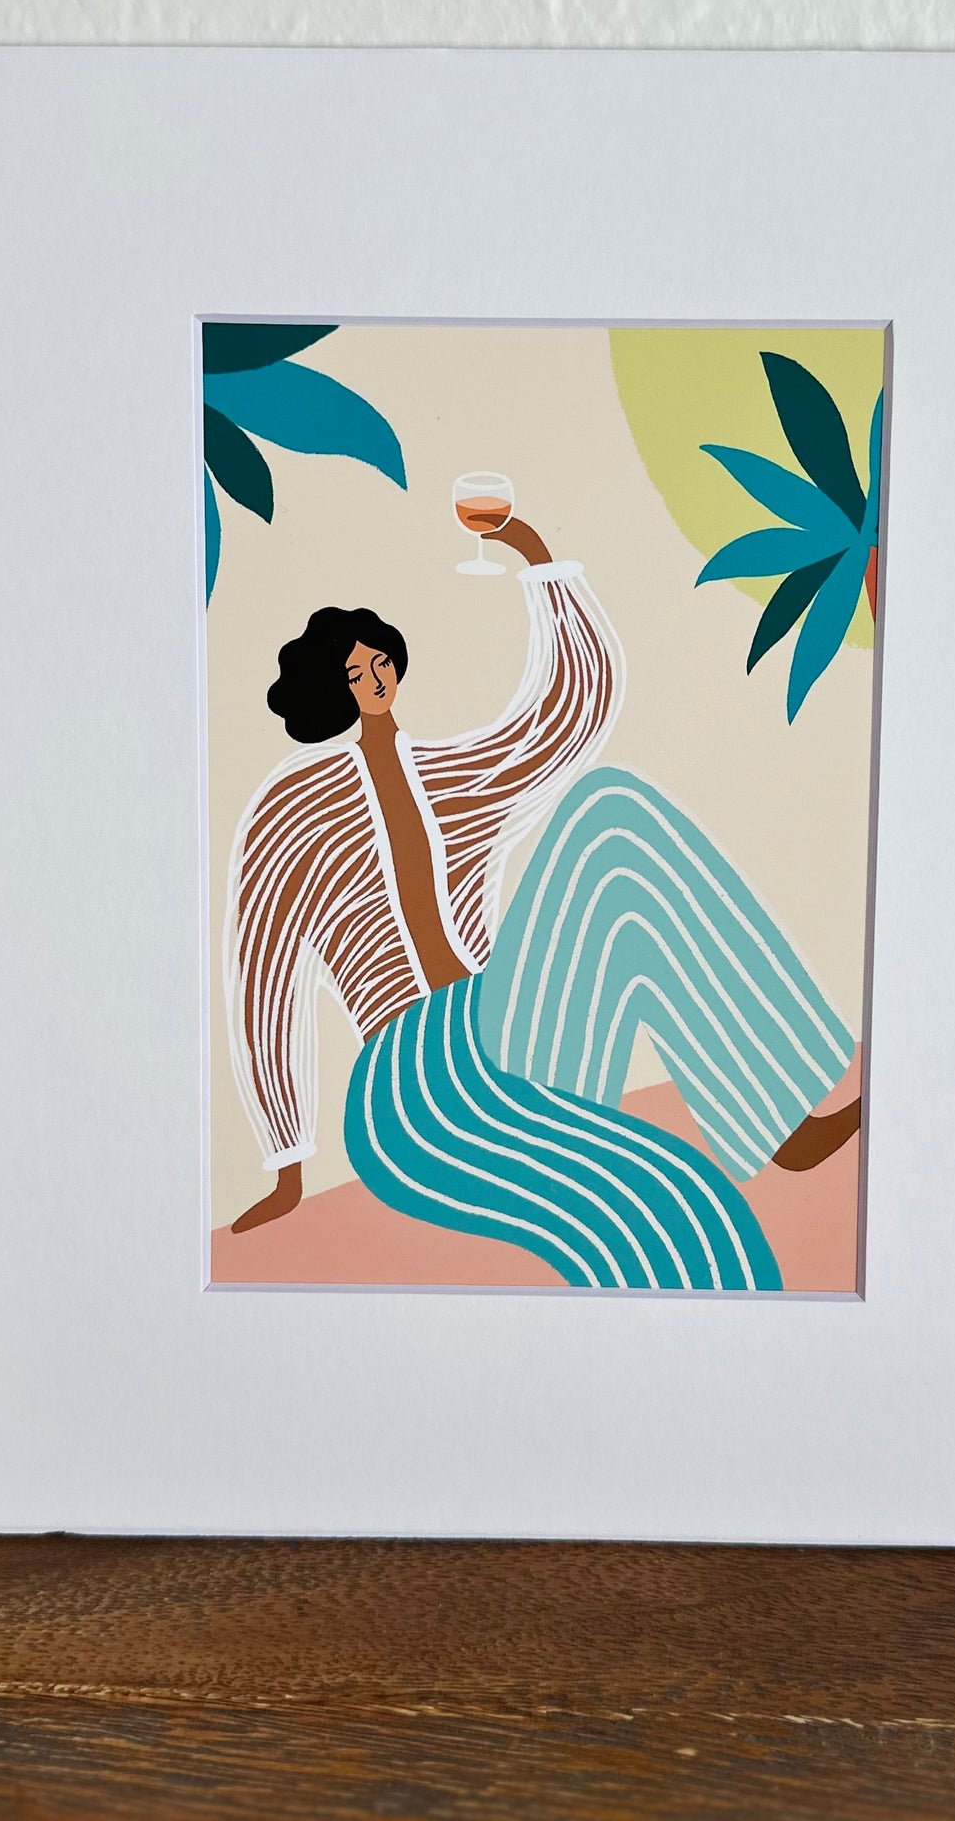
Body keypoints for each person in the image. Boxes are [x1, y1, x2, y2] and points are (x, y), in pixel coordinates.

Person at [223, 512, 861, 1290]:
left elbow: (567, 715)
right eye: (356, 672)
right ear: (330, 688)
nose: (376, 678)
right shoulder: (293, 809)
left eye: (381, 660)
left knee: (611, 815)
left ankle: (778, 1120)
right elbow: (263, 979)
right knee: (666, 1206)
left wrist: (533, 553)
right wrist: (287, 1161)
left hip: (502, 1026)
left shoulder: (453, 775)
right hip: (409, 1081)